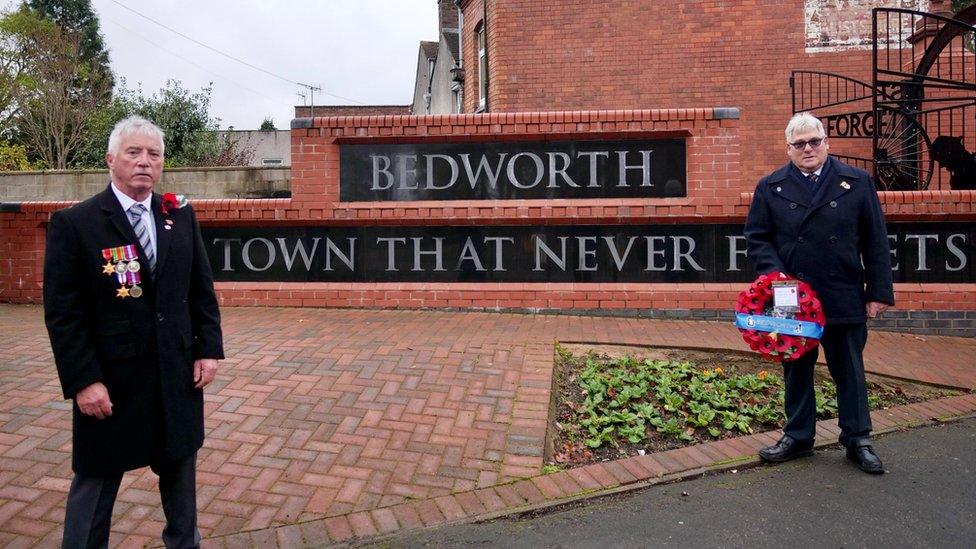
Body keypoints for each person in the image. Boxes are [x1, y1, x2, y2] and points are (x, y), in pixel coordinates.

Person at [43, 115, 223, 547]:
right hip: (113, 382)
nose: (145, 161)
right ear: (111, 159)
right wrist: (84, 381)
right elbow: (64, 314)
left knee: (181, 482)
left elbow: (201, 288)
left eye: (154, 154)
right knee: (95, 486)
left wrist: (208, 349)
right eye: (134, 152)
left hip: (175, 375)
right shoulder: (77, 224)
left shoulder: (179, 216)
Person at [744, 112, 894, 474]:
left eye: (814, 141)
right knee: (796, 368)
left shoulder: (856, 182)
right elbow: (757, 238)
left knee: (850, 369)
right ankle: (798, 436)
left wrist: (877, 293)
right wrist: (776, 277)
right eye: (799, 144)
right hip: (790, 296)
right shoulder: (771, 186)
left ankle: (858, 439)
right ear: (789, 149)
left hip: (842, 290)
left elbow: (875, 240)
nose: (808, 148)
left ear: (826, 142)